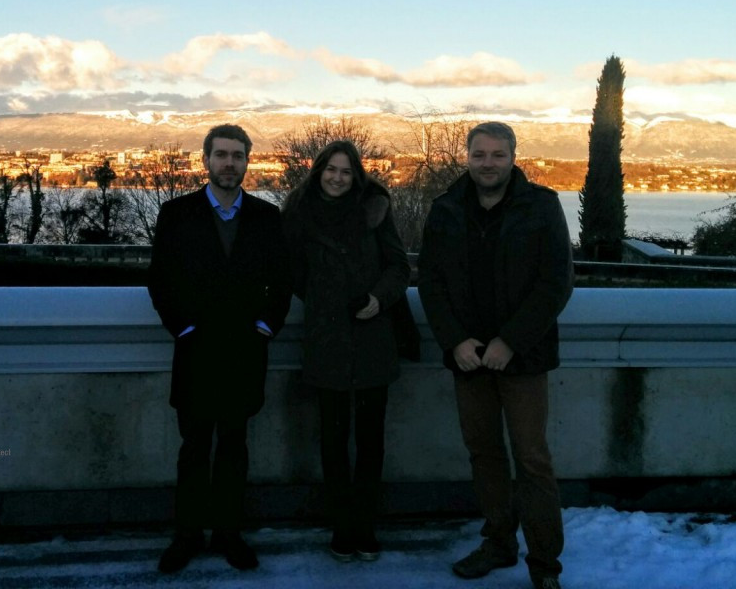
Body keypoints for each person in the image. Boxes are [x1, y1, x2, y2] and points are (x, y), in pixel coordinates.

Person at [417, 122, 574, 589]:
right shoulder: (446, 208)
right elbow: (431, 281)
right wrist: (455, 341)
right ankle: (499, 542)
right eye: (479, 154)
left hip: (523, 358)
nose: (488, 163)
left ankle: (544, 565)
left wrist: (511, 341)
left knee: (532, 459)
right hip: (468, 358)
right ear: (467, 157)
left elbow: (556, 281)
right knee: (483, 454)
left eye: (497, 155)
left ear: (513, 157)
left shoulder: (541, 206)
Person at [147, 124, 291, 574]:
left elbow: (282, 281)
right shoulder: (177, 214)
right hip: (195, 351)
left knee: (234, 447)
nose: (230, 163)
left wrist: (266, 326)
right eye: (222, 155)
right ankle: (187, 535)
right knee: (193, 449)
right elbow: (160, 279)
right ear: (206, 160)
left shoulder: (267, 217)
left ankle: (229, 534)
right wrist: (183, 328)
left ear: (248, 161)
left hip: (244, 353)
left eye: (237, 155)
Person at [282, 140, 411, 562]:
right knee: (333, 438)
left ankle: (365, 524)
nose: (337, 178)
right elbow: (291, 271)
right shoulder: (298, 213)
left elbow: (399, 266)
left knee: (371, 439)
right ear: (318, 170)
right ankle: (342, 524)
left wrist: (378, 298)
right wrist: (324, 300)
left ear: (357, 176)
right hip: (327, 338)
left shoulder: (375, 208)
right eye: (331, 169)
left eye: (346, 171)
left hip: (373, 337)